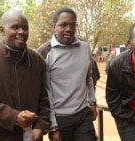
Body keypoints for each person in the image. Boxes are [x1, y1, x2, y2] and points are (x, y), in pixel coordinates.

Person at [0, 9, 50, 141]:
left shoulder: (37, 61)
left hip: (31, 137)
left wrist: (40, 127)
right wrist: (15, 117)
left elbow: (45, 98)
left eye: (25, 28)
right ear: (2, 30)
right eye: (15, 27)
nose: (21, 32)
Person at [37, 7, 98, 141]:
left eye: (72, 25)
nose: (69, 29)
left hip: (83, 115)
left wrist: (92, 101)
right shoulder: (44, 53)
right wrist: (53, 126)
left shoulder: (85, 47)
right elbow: (45, 92)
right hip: (60, 119)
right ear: (54, 26)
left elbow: (88, 76)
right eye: (63, 25)